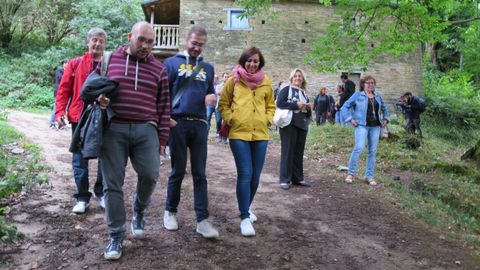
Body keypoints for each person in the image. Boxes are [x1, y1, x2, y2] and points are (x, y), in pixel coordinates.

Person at [99, 21, 171, 260]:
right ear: (130, 36)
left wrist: (162, 138)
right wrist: (99, 100)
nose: (145, 46)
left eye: (150, 42)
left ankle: (139, 208)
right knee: (112, 184)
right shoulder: (109, 60)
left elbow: (164, 106)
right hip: (114, 128)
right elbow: (92, 90)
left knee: (151, 174)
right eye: (141, 40)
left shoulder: (159, 69)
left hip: (146, 129)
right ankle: (116, 235)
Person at [163, 26, 219, 239]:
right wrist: (167, 119)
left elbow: (209, 93)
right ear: (186, 40)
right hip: (177, 123)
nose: (197, 48)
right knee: (177, 170)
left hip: (199, 124)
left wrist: (211, 98)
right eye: (194, 43)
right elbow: (163, 93)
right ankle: (170, 212)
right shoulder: (171, 63)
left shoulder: (208, 68)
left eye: (201, 44)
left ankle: (202, 220)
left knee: (200, 173)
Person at [218, 46, 275, 237]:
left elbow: (271, 105)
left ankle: (247, 207)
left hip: (260, 134)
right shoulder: (234, 80)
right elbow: (223, 104)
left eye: (255, 61)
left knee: (256, 176)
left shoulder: (266, 81)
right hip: (239, 134)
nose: (252, 64)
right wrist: (232, 118)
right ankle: (244, 217)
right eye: (249, 60)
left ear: (260, 63)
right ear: (243, 61)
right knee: (245, 173)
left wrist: (267, 119)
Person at [55, 28, 107, 214]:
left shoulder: (110, 64)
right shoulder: (76, 63)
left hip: (103, 115)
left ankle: (101, 193)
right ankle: (82, 197)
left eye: (101, 41)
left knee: (105, 156)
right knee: (79, 157)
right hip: (79, 116)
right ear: (88, 42)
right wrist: (59, 112)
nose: (97, 44)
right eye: (94, 40)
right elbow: (63, 90)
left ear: (105, 44)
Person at [341, 75, 390, 186]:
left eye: (372, 83)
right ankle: (351, 174)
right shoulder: (358, 95)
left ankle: (369, 176)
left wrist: (386, 119)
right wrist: (350, 119)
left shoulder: (377, 96)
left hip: (376, 127)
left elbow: (385, 109)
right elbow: (345, 107)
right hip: (361, 125)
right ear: (363, 84)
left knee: (372, 151)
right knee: (359, 148)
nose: (370, 85)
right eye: (367, 83)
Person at [276, 68, 312, 190]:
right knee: (288, 151)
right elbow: (279, 103)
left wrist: (307, 108)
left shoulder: (304, 93)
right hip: (289, 124)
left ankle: (297, 178)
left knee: (298, 152)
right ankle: (284, 179)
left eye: (300, 76)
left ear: (303, 79)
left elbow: (307, 113)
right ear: (292, 78)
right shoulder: (286, 89)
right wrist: (295, 105)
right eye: (295, 76)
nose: (297, 78)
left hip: (302, 125)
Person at [50, 59, 67, 129]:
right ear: (62, 64)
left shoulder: (68, 71)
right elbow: (61, 79)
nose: (67, 65)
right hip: (58, 92)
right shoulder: (59, 71)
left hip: (65, 92)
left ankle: (61, 123)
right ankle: (52, 123)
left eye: (68, 63)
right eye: (65, 63)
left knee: (63, 108)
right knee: (56, 107)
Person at [215, 72, 229, 143]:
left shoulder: (230, 86)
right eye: (225, 77)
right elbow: (219, 93)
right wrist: (226, 88)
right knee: (218, 121)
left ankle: (224, 137)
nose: (226, 78)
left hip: (227, 107)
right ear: (223, 78)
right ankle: (219, 134)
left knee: (225, 123)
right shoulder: (219, 86)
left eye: (227, 77)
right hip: (219, 106)